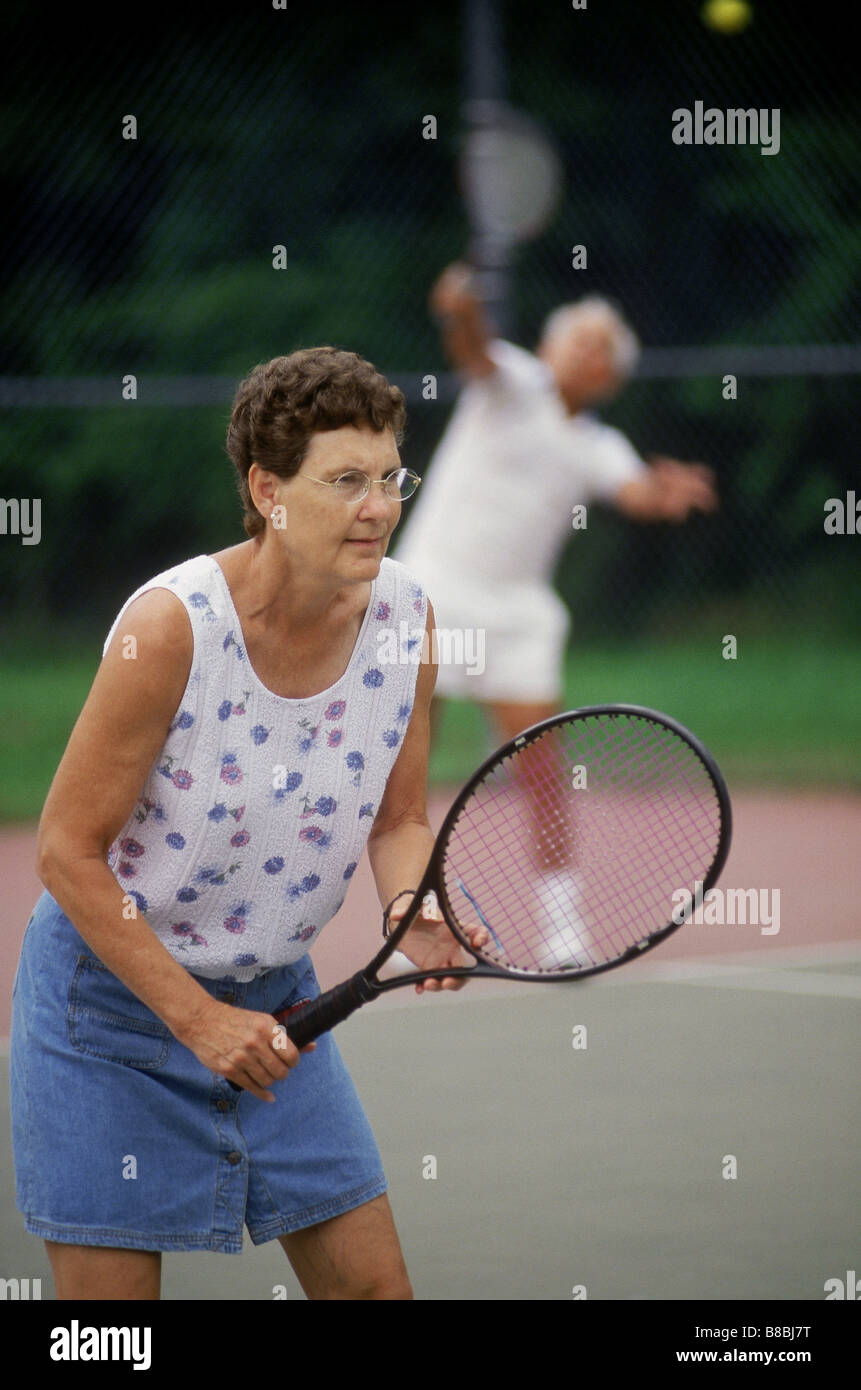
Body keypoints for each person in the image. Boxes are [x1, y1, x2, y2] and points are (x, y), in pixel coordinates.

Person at [10, 347, 485, 1301]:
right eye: (345, 480)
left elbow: (399, 816)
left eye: (390, 477)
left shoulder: (406, 619)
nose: (379, 506)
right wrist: (195, 1020)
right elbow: (65, 851)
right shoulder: (173, 628)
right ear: (267, 489)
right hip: (107, 1013)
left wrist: (411, 901)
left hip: (279, 1013)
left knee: (375, 1292)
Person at [395, 263, 719, 748]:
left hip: (517, 611)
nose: (587, 350)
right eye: (579, 338)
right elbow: (473, 350)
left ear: (610, 379)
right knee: (404, 756)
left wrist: (662, 493)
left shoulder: (600, 445)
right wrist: (461, 312)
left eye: (601, 348)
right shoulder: (515, 381)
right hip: (432, 586)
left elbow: (637, 492)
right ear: (548, 348)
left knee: (542, 767)